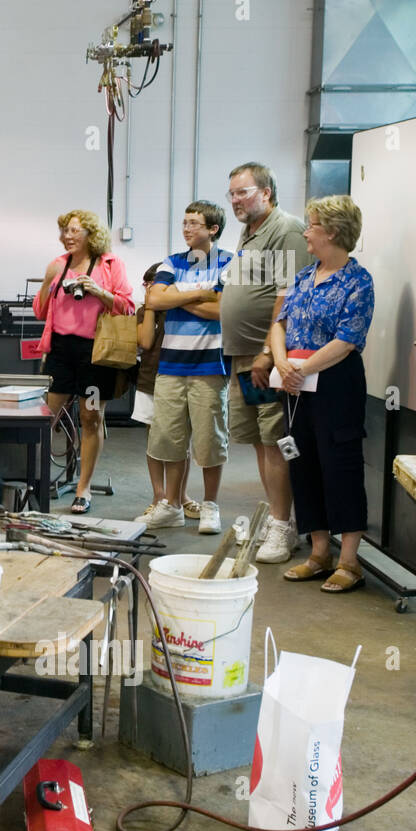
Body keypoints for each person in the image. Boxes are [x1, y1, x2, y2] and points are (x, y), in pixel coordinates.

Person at [270, 195, 374, 593]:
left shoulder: (357, 281)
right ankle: (318, 553)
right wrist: (282, 364)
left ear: (332, 232)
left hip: (334, 382)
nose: (305, 232)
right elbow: (279, 322)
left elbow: (348, 340)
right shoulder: (302, 276)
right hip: (294, 384)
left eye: (311, 225)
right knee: (302, 462)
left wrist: (301, 368)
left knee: (340, 466)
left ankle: (349, 561)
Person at [219, 162, 314, 560]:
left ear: (267, 193)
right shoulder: (250, 231)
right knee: (260, 442)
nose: (236, 201)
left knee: (276, 441)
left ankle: (282, 527)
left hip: (267, 358)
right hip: (244, 358)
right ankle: (281, 521)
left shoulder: (284, 229)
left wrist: (265, 354)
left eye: (243, 192)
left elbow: (289, 295)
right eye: (233, 194)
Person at [137, 202, 233, 534]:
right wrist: (201, 295)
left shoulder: (230, 262)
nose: (187, 229)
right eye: (185, 223)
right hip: (171, 367)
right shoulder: (171, 261)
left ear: (213, 229)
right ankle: (173, 506)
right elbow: (155, 300)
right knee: (169, 439)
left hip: (210, 366)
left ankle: (210, 506)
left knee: (209, 442)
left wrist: (179, 296)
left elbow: (223, 310)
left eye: (194, 223)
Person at [33, 210, 135, 514]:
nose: (68, 236)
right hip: (61, 352)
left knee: (91, 419)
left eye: (74, 230)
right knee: (45, 417)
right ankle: (37, 481)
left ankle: (83, 488)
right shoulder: (58, 265)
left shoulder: (110, 264)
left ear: (91, 234)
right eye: (64, 230)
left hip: (95, 353)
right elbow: (40, 311)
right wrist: (48, 283)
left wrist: (97, 290)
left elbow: (127, 305)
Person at [135, 262, 194, 521]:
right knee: (155, 441)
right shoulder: (144, 312)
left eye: (155, 285)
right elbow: (146, 342)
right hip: (150, 380)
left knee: (182, 441)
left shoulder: (182, 310)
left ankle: (180, 496)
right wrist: (151, 306)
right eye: (147, 285)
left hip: (181, 378)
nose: (150, 289)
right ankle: (159, 496)